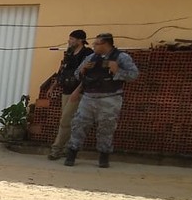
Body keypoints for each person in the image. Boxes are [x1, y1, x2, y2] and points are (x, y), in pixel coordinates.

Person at [64, 33, 139, 168]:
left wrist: (117, 71)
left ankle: (104, 157)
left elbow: (134, 75)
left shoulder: (121, 58)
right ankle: (72, 154)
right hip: (89, 97)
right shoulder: (91, 57)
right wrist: (83, 70)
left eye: (97, 44)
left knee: (106, 128)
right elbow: (77, 74)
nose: (94, 46)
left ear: (105, 44)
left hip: (110, 98)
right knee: (79, 124)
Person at [47, 30, 93, 160]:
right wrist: (53, 86)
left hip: (77, 92)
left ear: (80, 40)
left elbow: (87, 75)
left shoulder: (87, 54)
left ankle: (56, 149)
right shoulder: (69, 53)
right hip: (66, 91)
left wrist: (78, 91)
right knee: (70, 121)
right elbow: (62, 71)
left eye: (72, 39)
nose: (69, 41)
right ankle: (68, 148)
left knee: (65, 121)